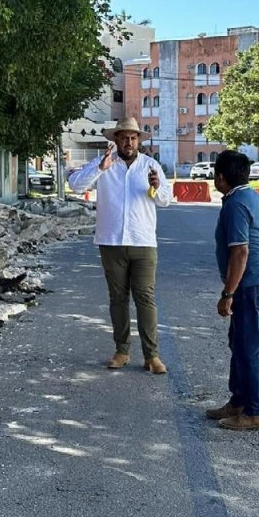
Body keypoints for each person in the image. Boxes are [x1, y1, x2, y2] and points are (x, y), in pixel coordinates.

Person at [68, 117, 172, 374]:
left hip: (143, 242)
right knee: (118, 299)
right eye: (124, 137)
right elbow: (75, 184)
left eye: (133, 137)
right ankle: (122, 351)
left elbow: (166, 200)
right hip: (111, 241)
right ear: (115, 139)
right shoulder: (104, 164)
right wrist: (100, 169)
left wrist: (157, 188)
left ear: (138, 141)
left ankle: (152, 356)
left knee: (145, 299)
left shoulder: (150, 166)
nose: (129, 142)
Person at [207, 150, 259, 431]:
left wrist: (227, 294)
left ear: (220, 177)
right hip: (258, 283)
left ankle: (256, 412)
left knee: (248, 349)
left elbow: (240, 252)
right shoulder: (255, 198)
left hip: (249, 286)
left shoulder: (235, 204)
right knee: (238, 344)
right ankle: (238, 402)